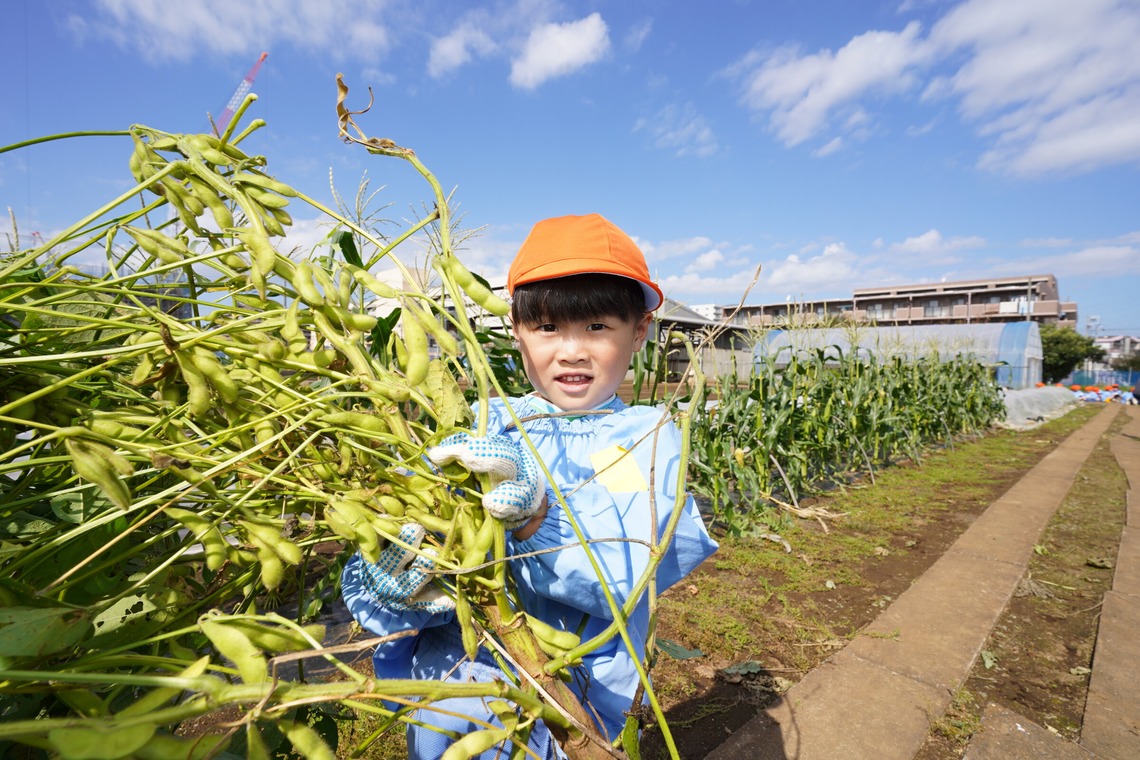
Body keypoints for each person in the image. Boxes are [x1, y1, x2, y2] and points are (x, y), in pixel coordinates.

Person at [341, 213, 719, 758]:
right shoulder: (481, 426)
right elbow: (412, 527)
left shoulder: (647, 439)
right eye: (547, 328)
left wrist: (537, 521)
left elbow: (628, 578)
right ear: (515, 330)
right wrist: (390, 580)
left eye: (597, 328)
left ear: (638, 332)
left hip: (579, 690)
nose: (571, 351)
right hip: (459, 687)